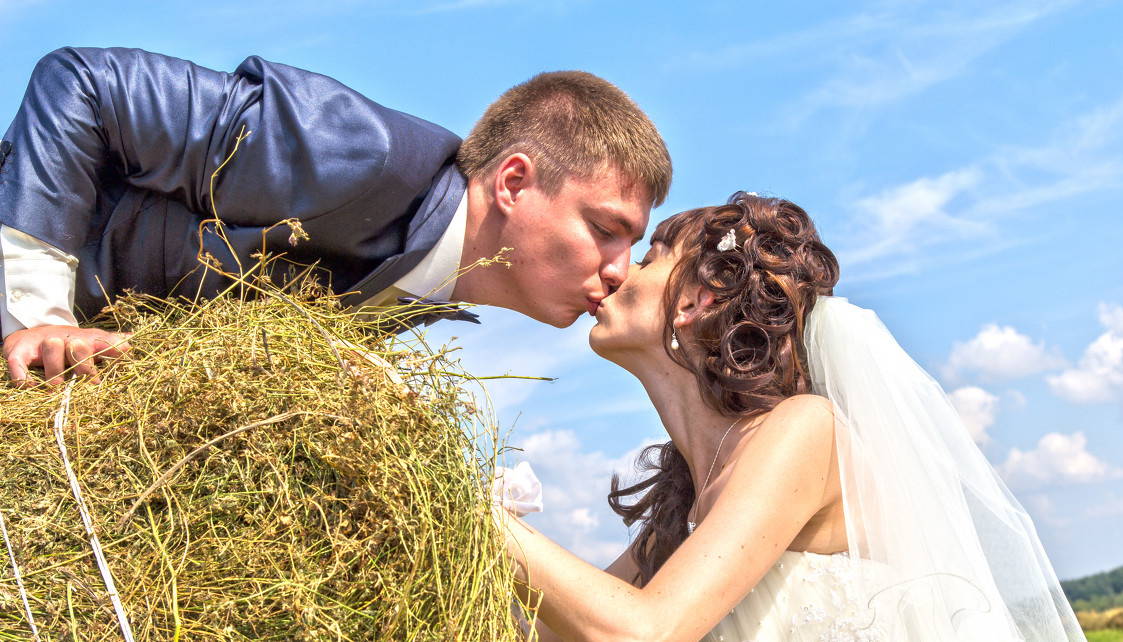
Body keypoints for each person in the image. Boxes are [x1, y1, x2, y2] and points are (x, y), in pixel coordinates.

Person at [497, 193, 1123, 642]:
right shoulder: (681, 518)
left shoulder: (801, 432)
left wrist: (481, 519)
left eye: (647, 256)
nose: (615, 272)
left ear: (698, 300)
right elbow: (533, 638)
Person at [0, 46, 671, 386]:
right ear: (515, 182)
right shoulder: (359, 155)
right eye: (606, 230)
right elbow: (81, 83)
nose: (620, 270)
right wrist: (39, 319)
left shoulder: (424, 291)